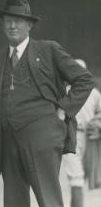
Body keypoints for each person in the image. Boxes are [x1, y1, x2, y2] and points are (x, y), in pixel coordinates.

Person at [0, 0, 94, 207]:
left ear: (29, 25)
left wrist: (63, 110)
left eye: (18, 20)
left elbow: (84, 79)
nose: (12, 25)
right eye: (8, 21)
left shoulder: (48, 50)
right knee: (14, 202)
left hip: (43, 137)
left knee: (49, 200)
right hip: (8, 143)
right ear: (3, 26)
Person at [62, 59, 101, 207]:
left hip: (89, 137)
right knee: (76, 177)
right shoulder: (64, 92)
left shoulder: (94, 93)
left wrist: (96, 124)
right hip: (70, 135)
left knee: (83, 176)